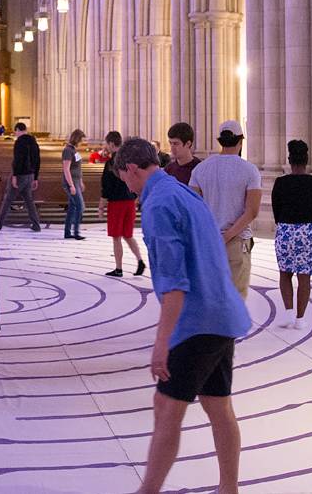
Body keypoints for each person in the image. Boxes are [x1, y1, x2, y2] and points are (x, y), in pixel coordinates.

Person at [112, 138, 250, 494]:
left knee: (167, 408)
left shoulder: (158, 204)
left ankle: (148, 491)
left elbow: (174, 284)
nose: (126, 186)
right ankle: (229, 489)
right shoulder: (182, 191)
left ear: (131, 169)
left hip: (198, 322)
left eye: (124, 178)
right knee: (218, 407)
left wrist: (161, 344)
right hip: (222, 312)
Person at [189, 120, 262, 299]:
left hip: (208, 242)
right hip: (237, 242)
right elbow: (252, 211)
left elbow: (193, 208)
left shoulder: (201, 169)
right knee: (235, 299)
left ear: (220, 141)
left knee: (210, 296)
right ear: (240, 141)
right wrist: (226, 236)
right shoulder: (250, 170)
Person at [272, 140, 312, 329]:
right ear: (307, 160)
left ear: (289, 160)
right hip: (308, 232)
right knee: (304, 277)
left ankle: (288, 313)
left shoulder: (280, 183)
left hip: (286, 230)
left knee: (285, 274)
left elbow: (276, 210)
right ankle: (300, 319)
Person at [99, 131, 145, 277]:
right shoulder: (129, 160)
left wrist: (101, 205)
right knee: (127, 234)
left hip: (117, 203)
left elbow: (106, 185)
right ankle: (140, 261)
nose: (106, 146)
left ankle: (118, 268)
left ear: (112, 144)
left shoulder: (112, 162)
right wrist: (137, 196)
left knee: (117, 236)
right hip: (129, 201)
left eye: (107, 143)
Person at [0, 122, 41, 231]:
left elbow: (18, 160)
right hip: (30, 175)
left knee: (8, 198)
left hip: (20, 174)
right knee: (29, 200)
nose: (15, 133)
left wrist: (15, 176)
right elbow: (37, 160)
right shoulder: (34, 142)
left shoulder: (19, 142)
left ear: (18, 130)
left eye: (15, 131)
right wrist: (35, 177)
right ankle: (36, 224)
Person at [61, 129, 86, 240]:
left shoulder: (76, 151)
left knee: (72, 207)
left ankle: (67, 232)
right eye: (82, 140)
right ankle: (76, 232)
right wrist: (71, 185)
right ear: (77, 139)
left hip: (76, 181)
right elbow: (66, 169)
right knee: (80, 206)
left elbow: (78, 168)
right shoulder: (67, 150)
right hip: (70, 182)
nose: (82, 142)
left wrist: (80, 182)